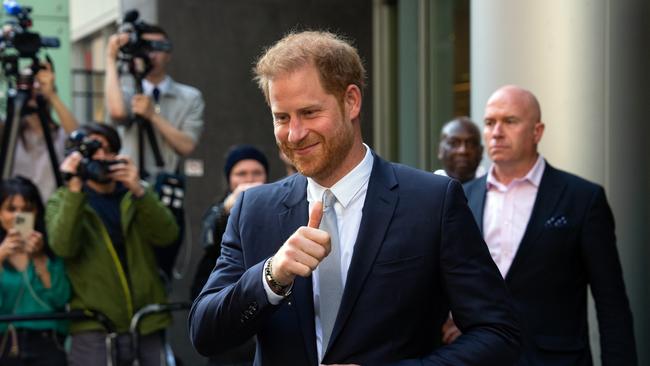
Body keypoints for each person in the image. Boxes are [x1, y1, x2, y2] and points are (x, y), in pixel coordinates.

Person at [189, 30, 520, 365]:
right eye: (282, 117)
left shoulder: (432, 202)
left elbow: (497, 333)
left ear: (351, 101)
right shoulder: (254, 209)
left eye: (309, 112)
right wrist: (273, 275)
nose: (294, 134)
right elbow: (205, 333)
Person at [452, 85, 637, 365]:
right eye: (490, 123)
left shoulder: (583, 199)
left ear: (537, 132)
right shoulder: (462, 197)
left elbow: (612, 304)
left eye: (510, 121)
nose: (497, 132)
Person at [46, 122, 179, 366]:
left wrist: (139, 190)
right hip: (94, 326)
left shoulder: (136, 195)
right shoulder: (63, 201)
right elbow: (63, 246)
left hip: (146, 321)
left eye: (108, 148)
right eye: (92, 149)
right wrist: (74, 188)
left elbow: (167, 235)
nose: (102, 155)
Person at [105, 24, 205, 279]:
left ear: (169, 53)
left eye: (159, 47)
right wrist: (110, 57)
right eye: (145, 47)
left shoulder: (189, 97)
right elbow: (117, 113)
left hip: (164, 189)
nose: (152, 54)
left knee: (161, 265)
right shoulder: (126, 90)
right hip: (126, 188)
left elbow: (186, 145)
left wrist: (153, 115)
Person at [191, 145, 269, 366]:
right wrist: (226, 210)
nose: (249, 179)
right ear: (229, 179)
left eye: (256, 173)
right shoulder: (221, 208)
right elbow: (208, 240)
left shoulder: (278, 204)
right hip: (229, 302)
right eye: (241, 174)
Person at [0, 176, 70, 366]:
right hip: (7, 343)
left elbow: (60, 298)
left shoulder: (50, 248)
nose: (18, 217)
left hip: (48, 342)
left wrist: (39, 258)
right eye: (11, 209)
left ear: (37, 212)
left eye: (26, 210)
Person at [5, 63, 79, 200]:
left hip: (51, 211)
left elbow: (78, 136)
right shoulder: (8, 131)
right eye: (29, 84)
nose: (34, 90)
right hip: (15, 210)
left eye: (38, 85)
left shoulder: (60, 134)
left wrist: (51, 95)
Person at [434, 116, 484, 183]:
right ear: (440, 150)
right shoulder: (427, 190)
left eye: (470, 144)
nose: (462, 151)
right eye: (453, 143)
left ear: (481, 151)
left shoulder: (494, 190)